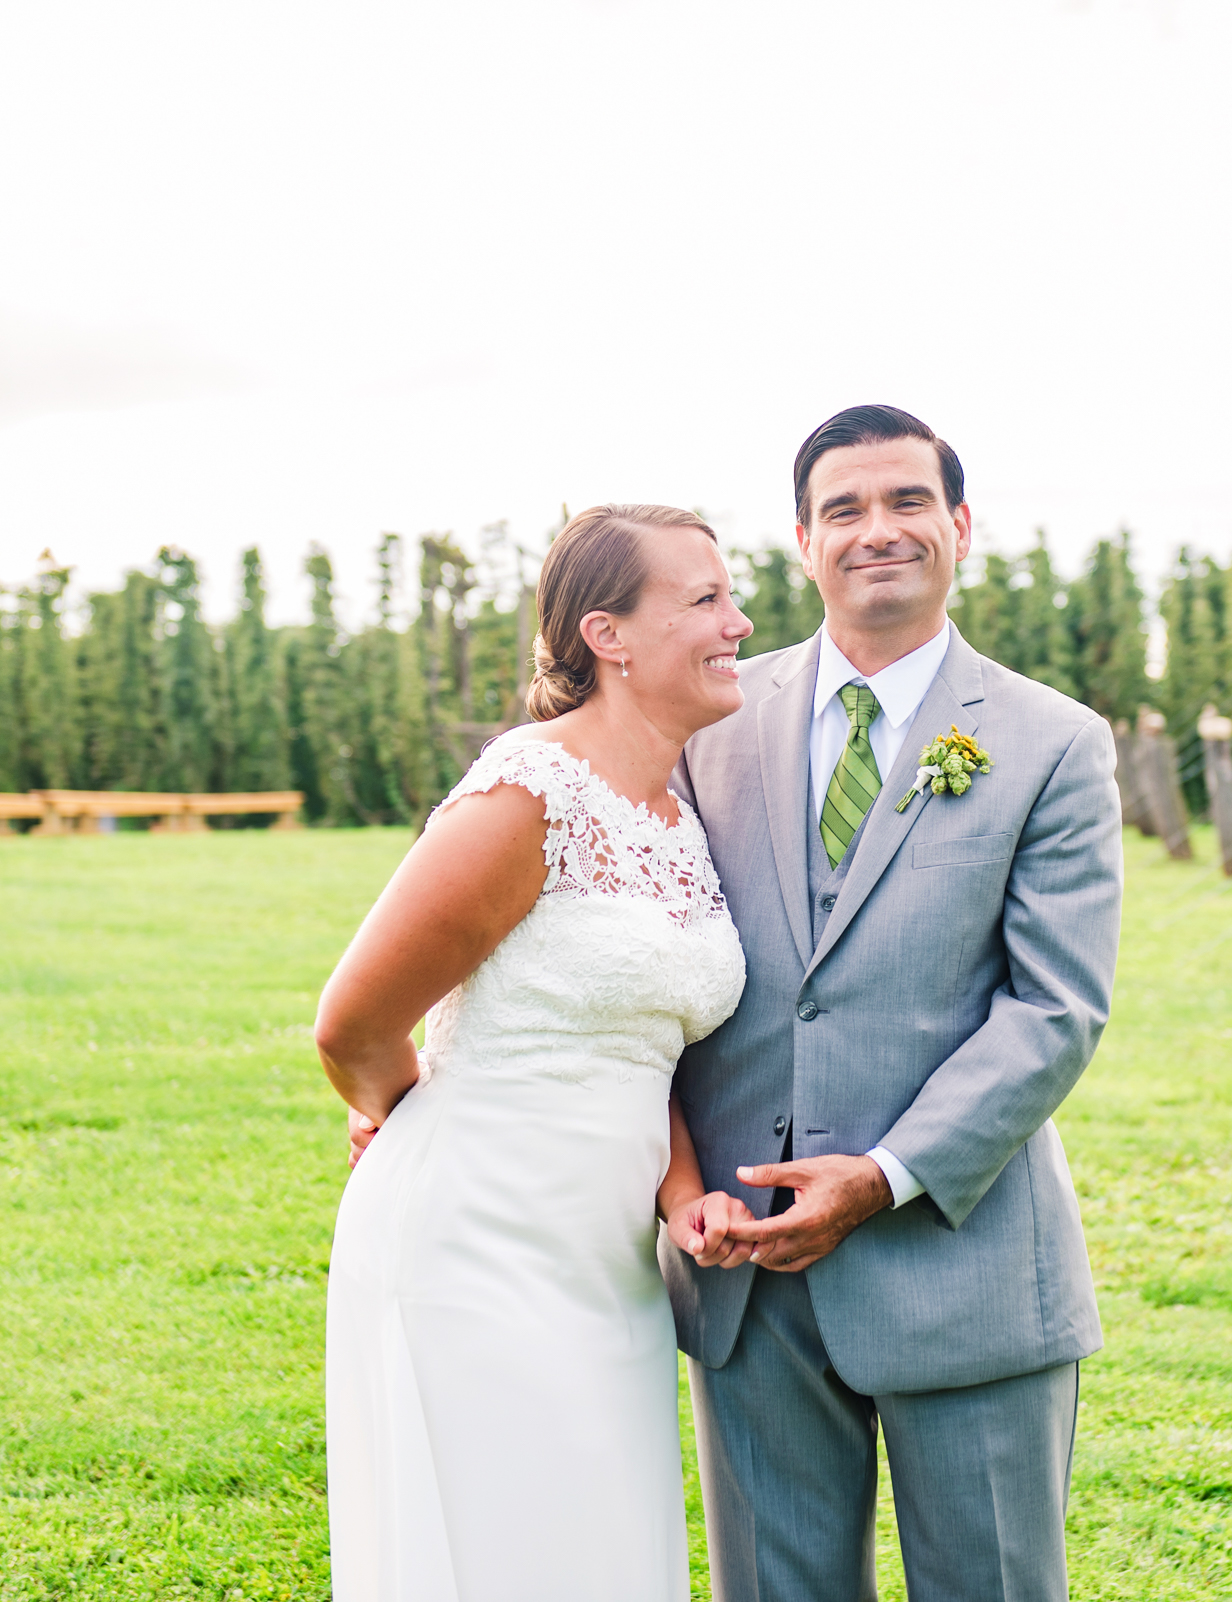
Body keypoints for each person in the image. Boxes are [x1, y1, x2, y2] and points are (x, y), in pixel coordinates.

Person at [666, 404, 1123, 1602]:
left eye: (909, 501)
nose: (880, 530)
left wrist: (878, 1177)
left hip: (960, 1265)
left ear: (960, 526)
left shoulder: (1051, 743)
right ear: (804, 540)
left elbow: (1055, 1010)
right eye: (846, 509)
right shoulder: (705, 724)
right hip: (746, 1277)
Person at [317, 503, 761, 1601]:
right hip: (472, 1250)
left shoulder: (675, 815)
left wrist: (684, 1195)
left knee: (599, 1557)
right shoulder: (528, 793)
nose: (739, 623)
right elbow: (353, 1024)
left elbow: (631, 1041)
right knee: (498, 1556)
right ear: (608, 636)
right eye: (704, 599)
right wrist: (406, 1119)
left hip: (609, 1274)